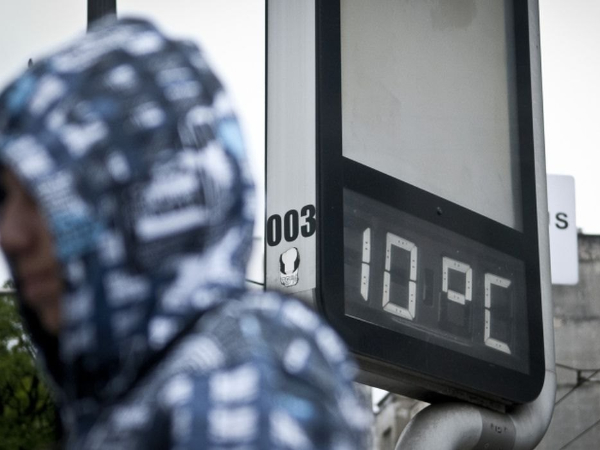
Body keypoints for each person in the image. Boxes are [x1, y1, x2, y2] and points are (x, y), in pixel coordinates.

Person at [0, 18, 370, 449]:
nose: (10, 234)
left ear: (150, 196)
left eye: (47, 195)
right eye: (4, 197)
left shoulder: (241, 382)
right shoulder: (149, 392)